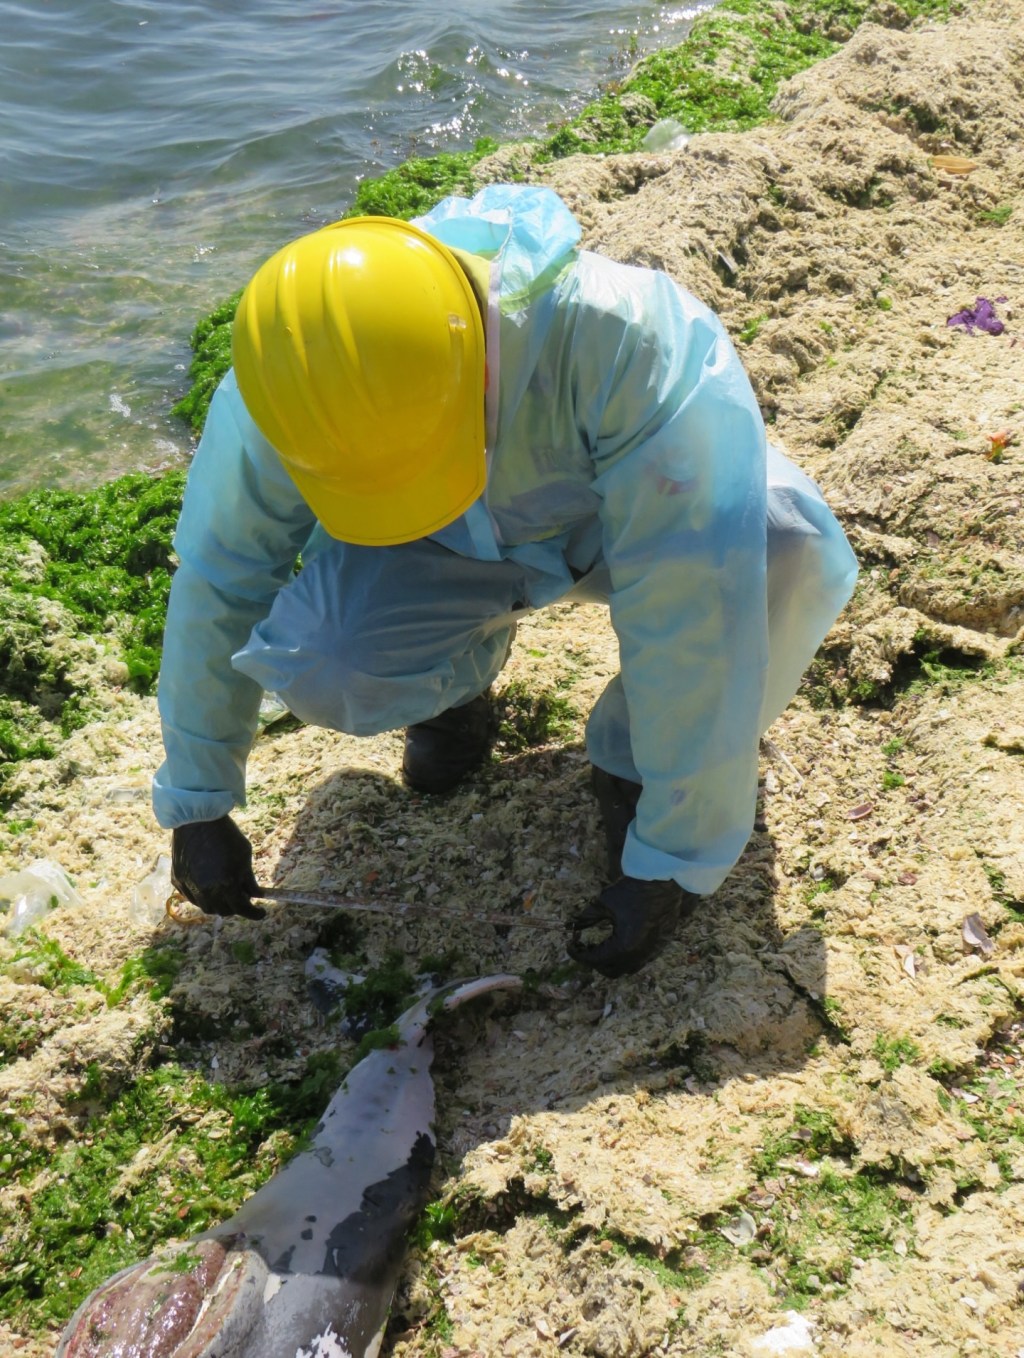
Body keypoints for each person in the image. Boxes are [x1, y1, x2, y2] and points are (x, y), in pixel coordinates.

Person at [154, 183, 857, 978]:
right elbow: (222, 574)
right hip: (441, 547)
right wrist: (199, 799)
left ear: (479, 361)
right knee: (325, 659)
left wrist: (676, 854)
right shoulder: (288, 379)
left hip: (616, 529)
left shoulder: (631, 344)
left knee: (786, 542)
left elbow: (689, 610)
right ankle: (458, 694)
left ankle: (625, 762)